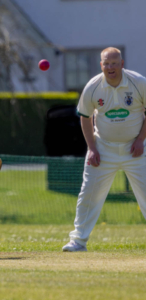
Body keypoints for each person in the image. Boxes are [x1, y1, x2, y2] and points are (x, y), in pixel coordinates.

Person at [63, 47, 146, 252]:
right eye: (106, 64)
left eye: (114, 63)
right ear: (101, 65)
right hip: (103, 148)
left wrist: (140, 141)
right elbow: (85, 116)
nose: (110, 67)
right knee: (89, 194)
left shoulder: (138, 83)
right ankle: (78, 241)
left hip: (136, 149)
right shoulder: (93, 86)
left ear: (122, 64)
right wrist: (92, 148)